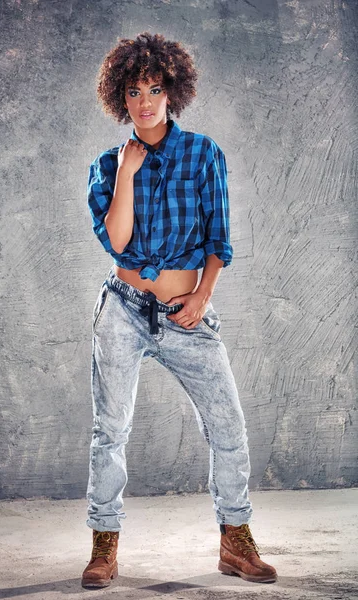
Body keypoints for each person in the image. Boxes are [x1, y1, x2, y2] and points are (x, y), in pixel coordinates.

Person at [81, 31, 277, 588]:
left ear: (172, 92)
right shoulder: (107, 164)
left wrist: (202, 296)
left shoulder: (203, 154)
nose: (145, 100)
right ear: (120, 97)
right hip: (121, 308)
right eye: (134, 90)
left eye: (155, 88)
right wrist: (127, 173)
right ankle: (104, 546)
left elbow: (219, 240)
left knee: (228, 426)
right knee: (109, 432)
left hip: (184, 311)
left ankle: (235, 542)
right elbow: (118, 243)